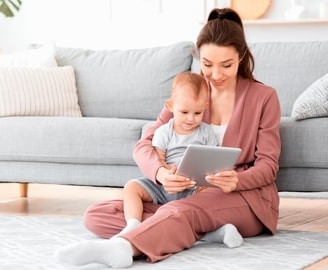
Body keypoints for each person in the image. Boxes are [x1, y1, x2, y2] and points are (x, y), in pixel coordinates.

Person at [55, 7, 281, 268]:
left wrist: (237, 180)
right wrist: (161, 174)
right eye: (207, 65)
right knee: (97, 215)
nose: (216, 75)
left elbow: (268, 166)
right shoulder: (190, 93)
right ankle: (207, 232)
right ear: (198, 58)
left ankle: (124, 246)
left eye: (226, 65)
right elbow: (144, 145)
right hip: (184, 196)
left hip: (244, 199)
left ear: (241, 57)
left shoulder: (264, 97)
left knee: (180, 211)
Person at [114, 71, 242, 249]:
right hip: (164, 186)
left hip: (193, 190)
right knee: (131, 187)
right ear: (171, 106)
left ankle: (214, 232)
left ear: (205, 106)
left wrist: (208, 181)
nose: (191, 119)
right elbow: (158, 160)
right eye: (184, 112)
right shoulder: (164, 131)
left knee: (215, 196)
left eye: (198, 112)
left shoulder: (206, 133)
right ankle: (133, 225)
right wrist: (167, 173)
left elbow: (213, 161)